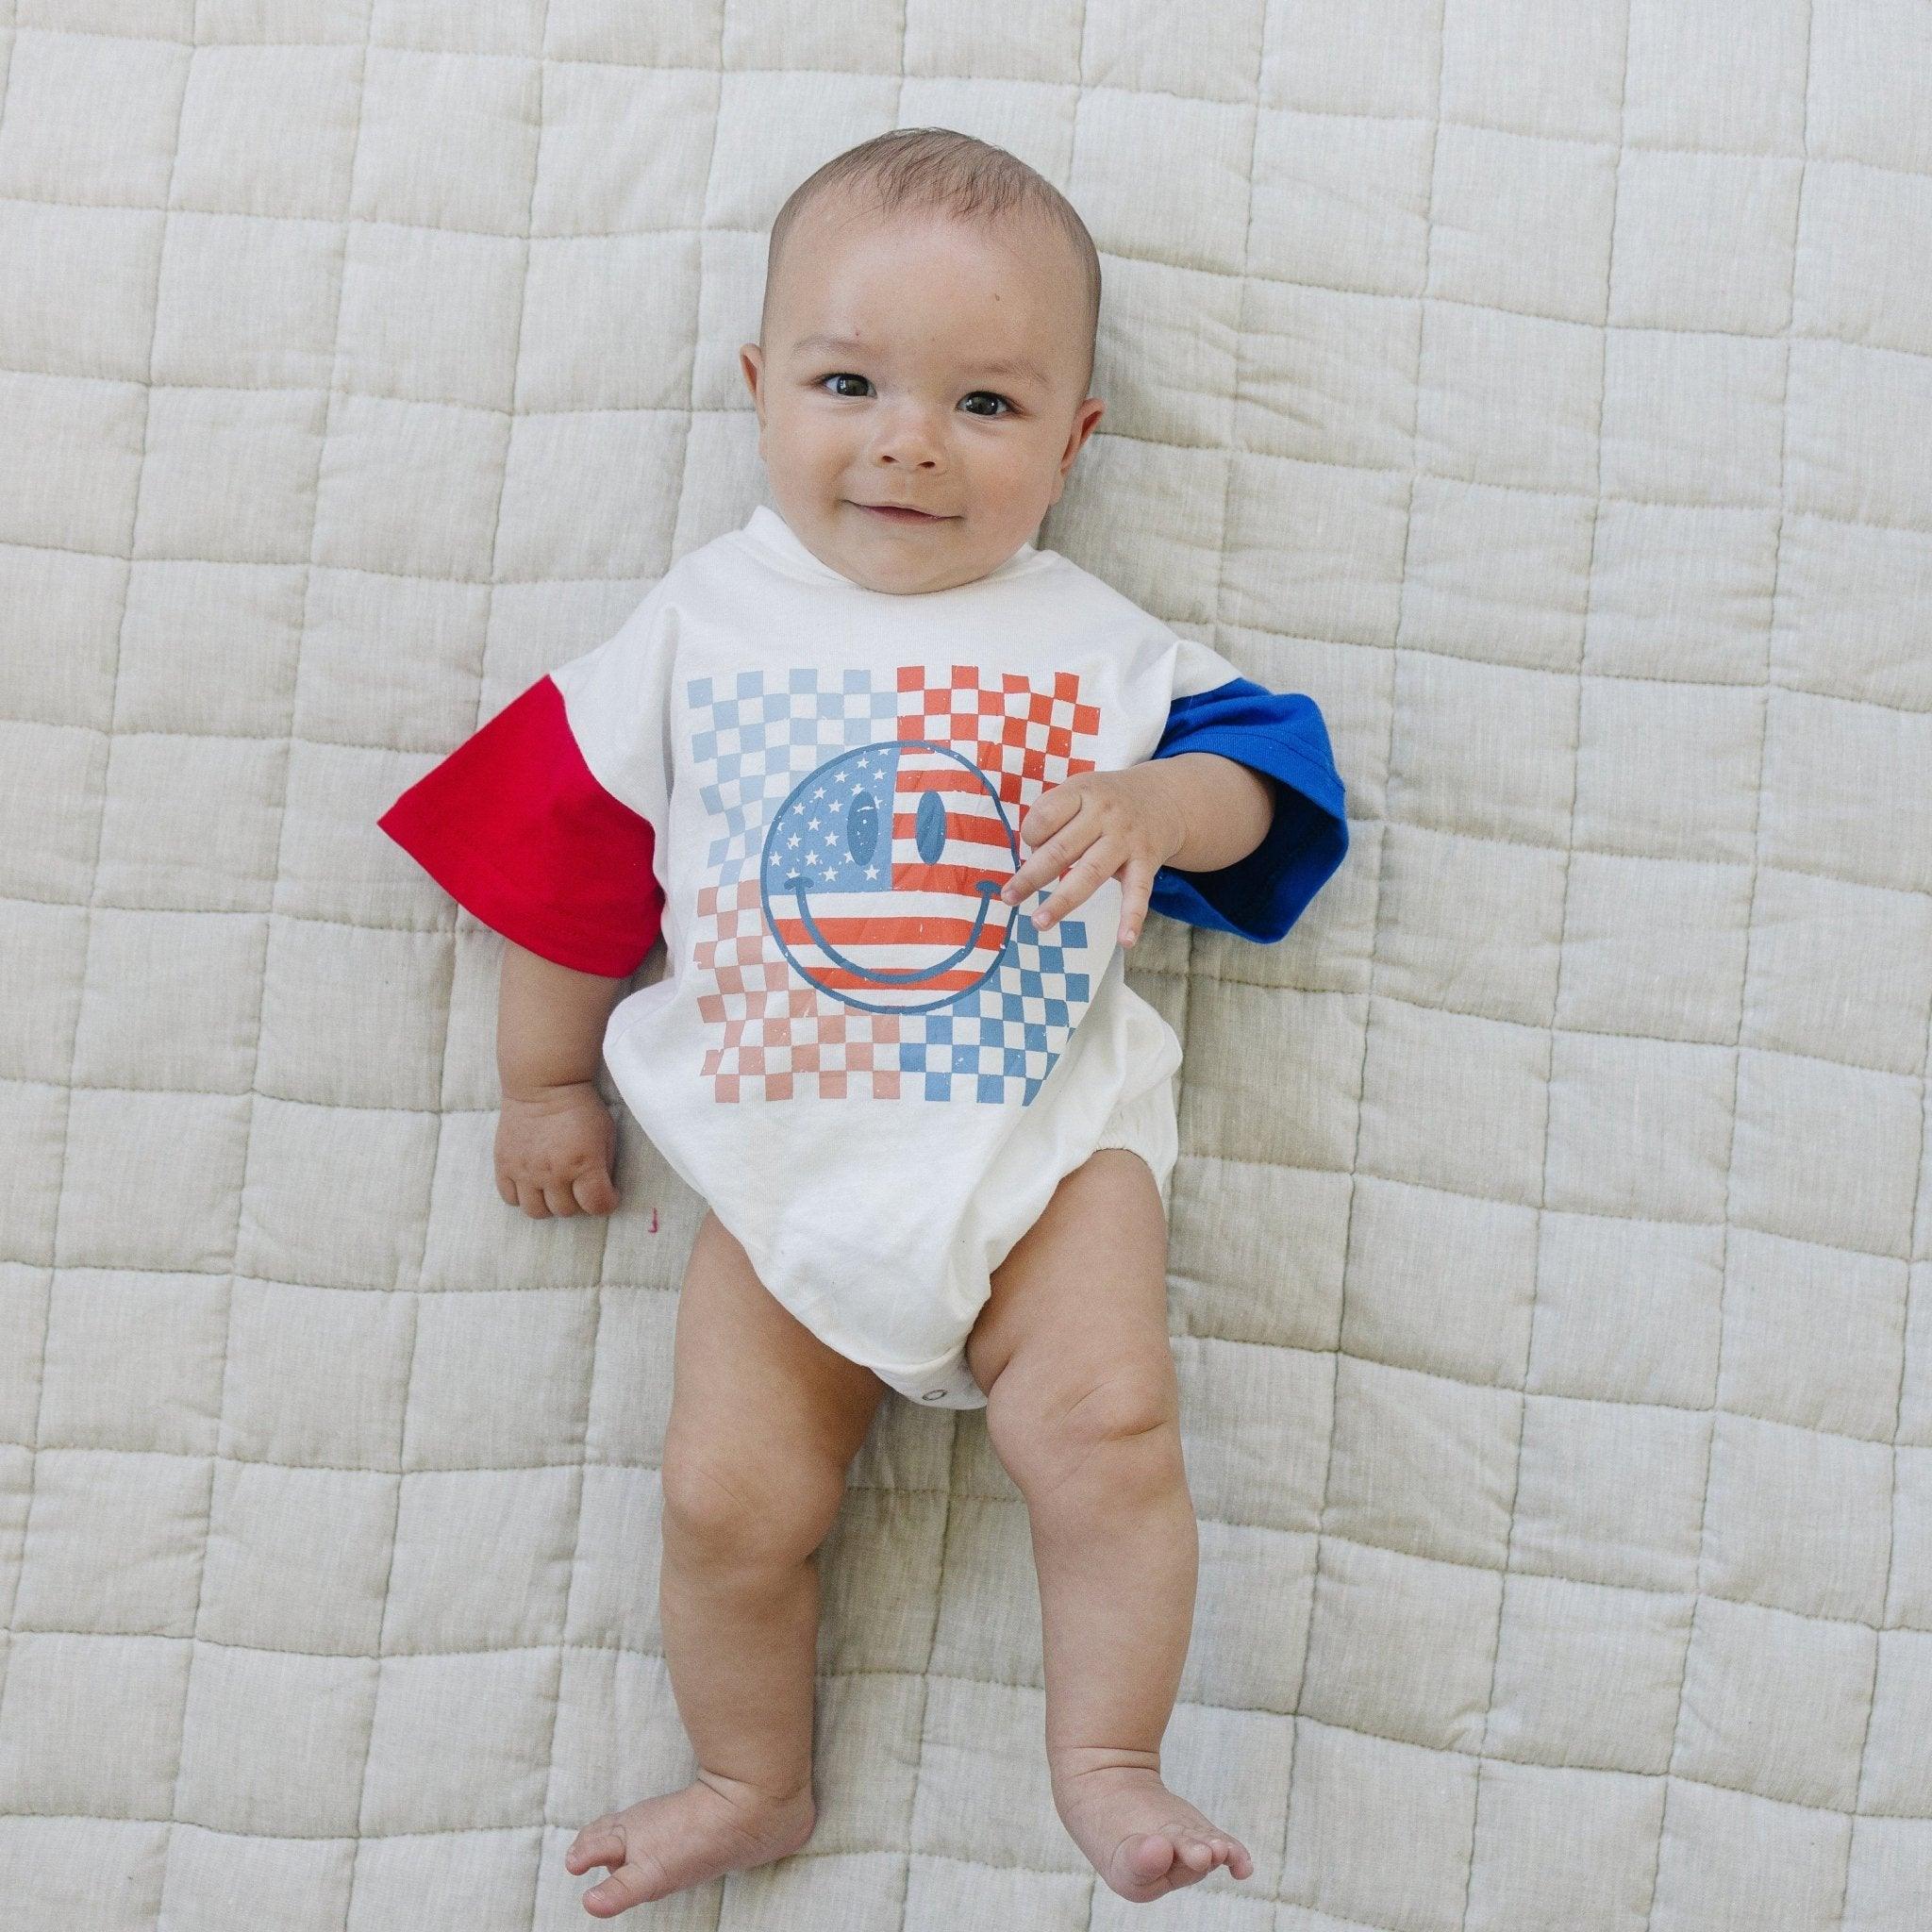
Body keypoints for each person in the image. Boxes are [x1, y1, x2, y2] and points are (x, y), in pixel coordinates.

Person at [376, 126, 1347, 1914]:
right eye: (849, 382)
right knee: (726, 1505)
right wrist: (542, 1085)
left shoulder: (1096, 641)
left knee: (1111, 1434)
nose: (907, 438)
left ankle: (1108, 1757)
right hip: (787, 1157)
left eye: (986, 405)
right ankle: (751, 1774)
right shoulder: (699, 629)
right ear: (758, 392)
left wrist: (1160, 808)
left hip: (1048, 1141)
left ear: (1077, 442)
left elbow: (1272, 785)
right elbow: (567, 857)